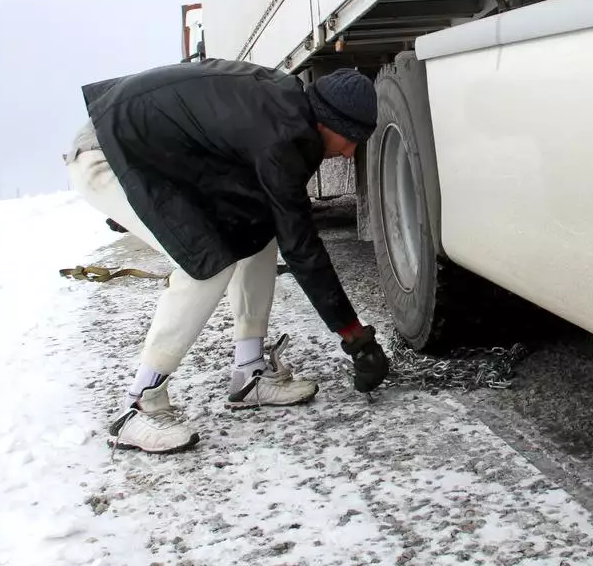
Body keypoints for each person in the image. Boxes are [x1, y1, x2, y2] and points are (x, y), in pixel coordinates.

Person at [63, 58, 389, 454]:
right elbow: (304, 249)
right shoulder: (283, 137)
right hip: (109, 153)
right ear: (328, 123)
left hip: (143, 146)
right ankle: (138, 406)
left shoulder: (287, 108)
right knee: (207, 264)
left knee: (259, 229)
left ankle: (249, 373)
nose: (347, 153)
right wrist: (354, 336)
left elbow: (283, 227)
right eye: (349, 139)